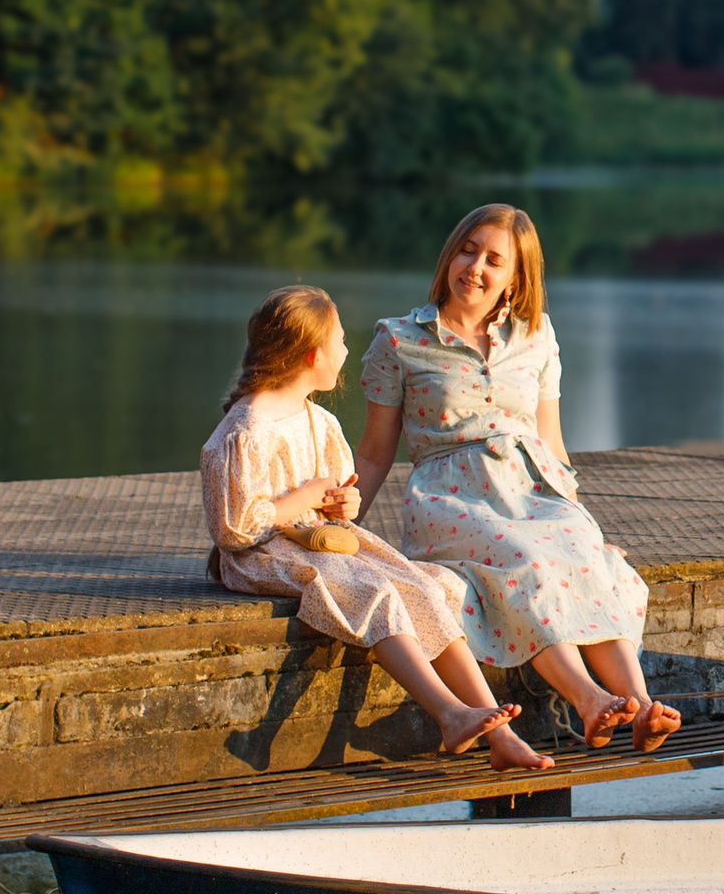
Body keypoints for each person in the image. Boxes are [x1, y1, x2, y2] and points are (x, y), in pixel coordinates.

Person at [352, 204, 683, 753]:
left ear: (515, 278)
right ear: (449, 254)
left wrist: (582, 524)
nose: (474, 267)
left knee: (589, 558)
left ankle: (642, 709)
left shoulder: (537, 336)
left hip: (534, 489)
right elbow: (373, 454)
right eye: (467, 249)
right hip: (452, 498)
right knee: (527, 561)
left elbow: (550, 442)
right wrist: (341, 528)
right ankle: (588, 701)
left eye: (493, 260)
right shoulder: (399, 340)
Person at [201, 284, 552, 772]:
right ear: (311, 356)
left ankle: (500, 733)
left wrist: (342, 505)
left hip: (322, 542)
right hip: (264, 554)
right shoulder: (245, 432)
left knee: (421, 585)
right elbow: (233, 530)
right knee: (376, 592)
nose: (348, 351)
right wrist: (299, 501)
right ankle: (449, 713)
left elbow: (338, 504)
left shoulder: (318, 422)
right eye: (341, 342)